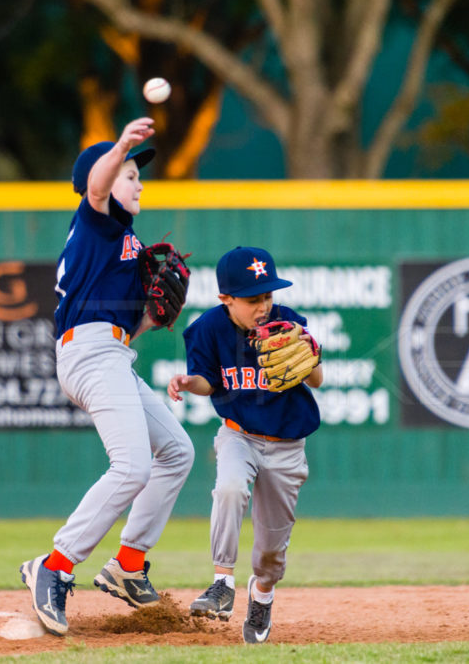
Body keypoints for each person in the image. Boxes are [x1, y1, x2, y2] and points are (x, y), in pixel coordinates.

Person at [19, 118, 195, 637]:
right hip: (89, 354)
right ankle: (53, 568)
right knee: (132, 466)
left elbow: (124, 329)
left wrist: (152, 318)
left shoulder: (124, 243)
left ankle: (129, 563)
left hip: (111, 352)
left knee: (177, 451)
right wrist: (120, 146)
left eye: (140, 174)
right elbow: (96, 186)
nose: (138, 182)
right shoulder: (96, 220)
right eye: (130, 173)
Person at [167, 246, 322, 644]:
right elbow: (207, 381)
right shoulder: (208, 329)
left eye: (268, 296)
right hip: (240, 435)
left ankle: (263, 593)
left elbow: (317, 380)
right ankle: (221, 582)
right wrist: (188, 382)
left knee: (272, 551)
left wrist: (309, 357)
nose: (264, 306)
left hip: (288, 445)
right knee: (230, 488)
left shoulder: (288, 322)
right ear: (226, 299)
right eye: (254, 299)